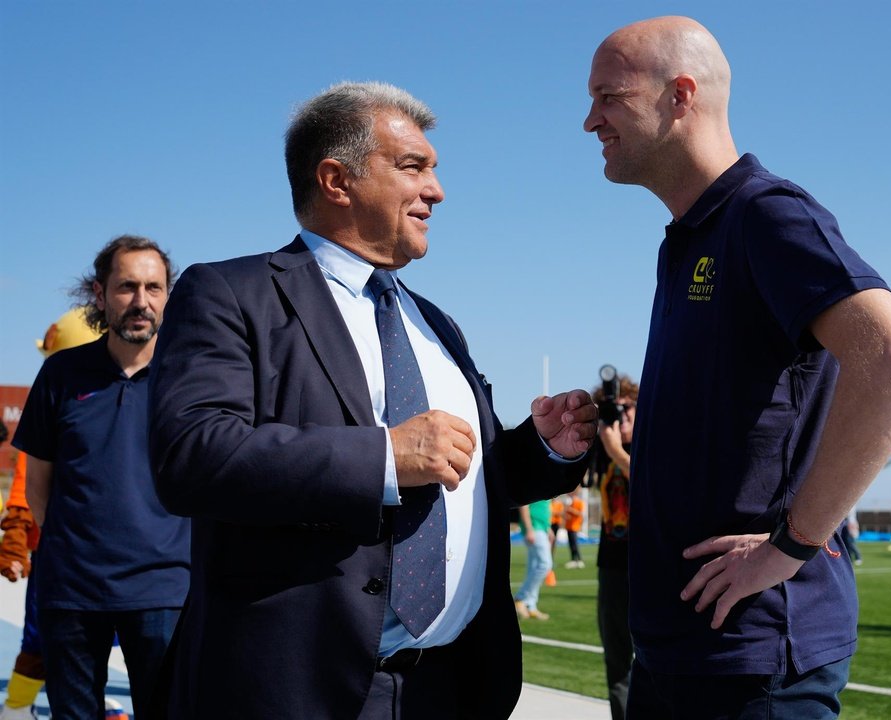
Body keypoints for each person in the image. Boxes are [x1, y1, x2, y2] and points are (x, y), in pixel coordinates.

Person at [147, 82, 597, 719]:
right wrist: (384, 456)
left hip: (450, 687)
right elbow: (190, 457)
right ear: (337, 180)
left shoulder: (436, 323)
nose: (436, 192)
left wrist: (543, 449)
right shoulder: (230, 292)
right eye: (413, 168)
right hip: (297, 690)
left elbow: (463, 474)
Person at [584, 17, 891, 718]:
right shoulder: (690, 238)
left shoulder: (763, 215)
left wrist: (790, 545)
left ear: (680, 95)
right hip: (679, 651)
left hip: (752, 663)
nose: (590, 120)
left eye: (608, 97)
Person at [11, 237, 191, 720]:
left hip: (165, 593)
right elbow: (38, 485)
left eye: (154, 288)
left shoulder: (189, 377)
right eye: (126, 286)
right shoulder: (62, 373)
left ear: (168, 296)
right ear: (99, 293)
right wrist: (73, 551)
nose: (141, 301)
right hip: (71, 593)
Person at [0, 308, 102, 720]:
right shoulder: (58, 408)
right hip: (60, 553)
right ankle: (19, 706)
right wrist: (16, 539)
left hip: (115, 556)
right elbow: (25, 485)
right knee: (46, 637)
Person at [594, 377, 639, 720]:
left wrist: (617, 452)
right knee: (617, 663)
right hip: (611, 566)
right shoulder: (601, 448)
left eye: (628, 408)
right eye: (615, 410)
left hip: (651, 568)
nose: (621, 417)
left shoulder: (652, 442)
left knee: (661, 663)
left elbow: (657, 487)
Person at [514, 500, 554, 621]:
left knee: (533, 566)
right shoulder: (534, 482)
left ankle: (530, 606)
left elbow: (543, 508)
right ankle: (520, 598)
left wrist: (548, 528)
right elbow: (524, 505)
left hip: (541, 528)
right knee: (544, 564)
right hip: (534, 528)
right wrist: (529, 529)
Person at [562, 488, 586, 569]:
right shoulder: (570, 503)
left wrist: (570, 510)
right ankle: (573, 560)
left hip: (574, 527)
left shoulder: (579, 502)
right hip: (569, 526)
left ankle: (579, 560)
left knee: (575, 544)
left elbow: (580, 514)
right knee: (571, 544)